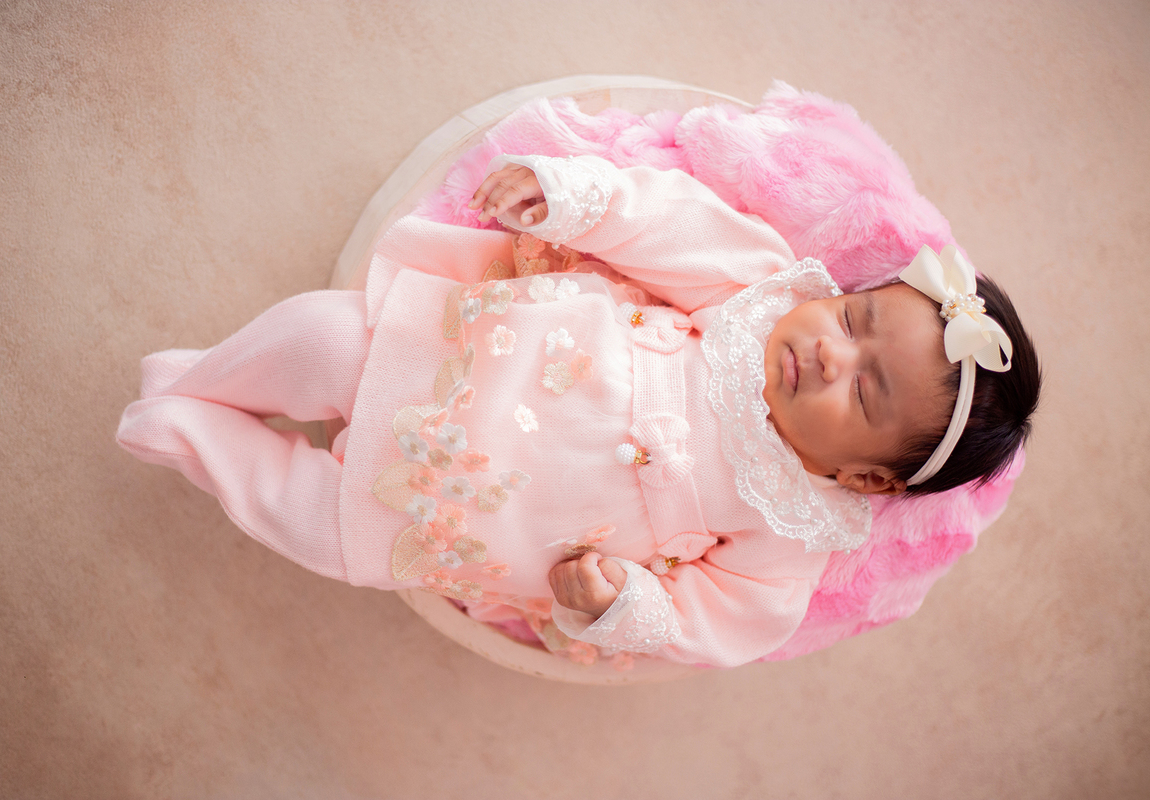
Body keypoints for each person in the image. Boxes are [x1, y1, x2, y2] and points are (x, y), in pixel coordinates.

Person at [117, 154, 1039, 668]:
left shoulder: (793, 531)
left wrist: (624, 603)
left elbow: (720, 622)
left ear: (863, 477)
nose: (831, 350)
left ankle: (194, 437)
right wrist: (571, 202)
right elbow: (668, 222)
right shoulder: (756, 290)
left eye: (863, 388)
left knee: (322, 526)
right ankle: (203, 380)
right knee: (322, 340)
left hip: (477, 520)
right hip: (466, 359)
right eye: (853, 317)